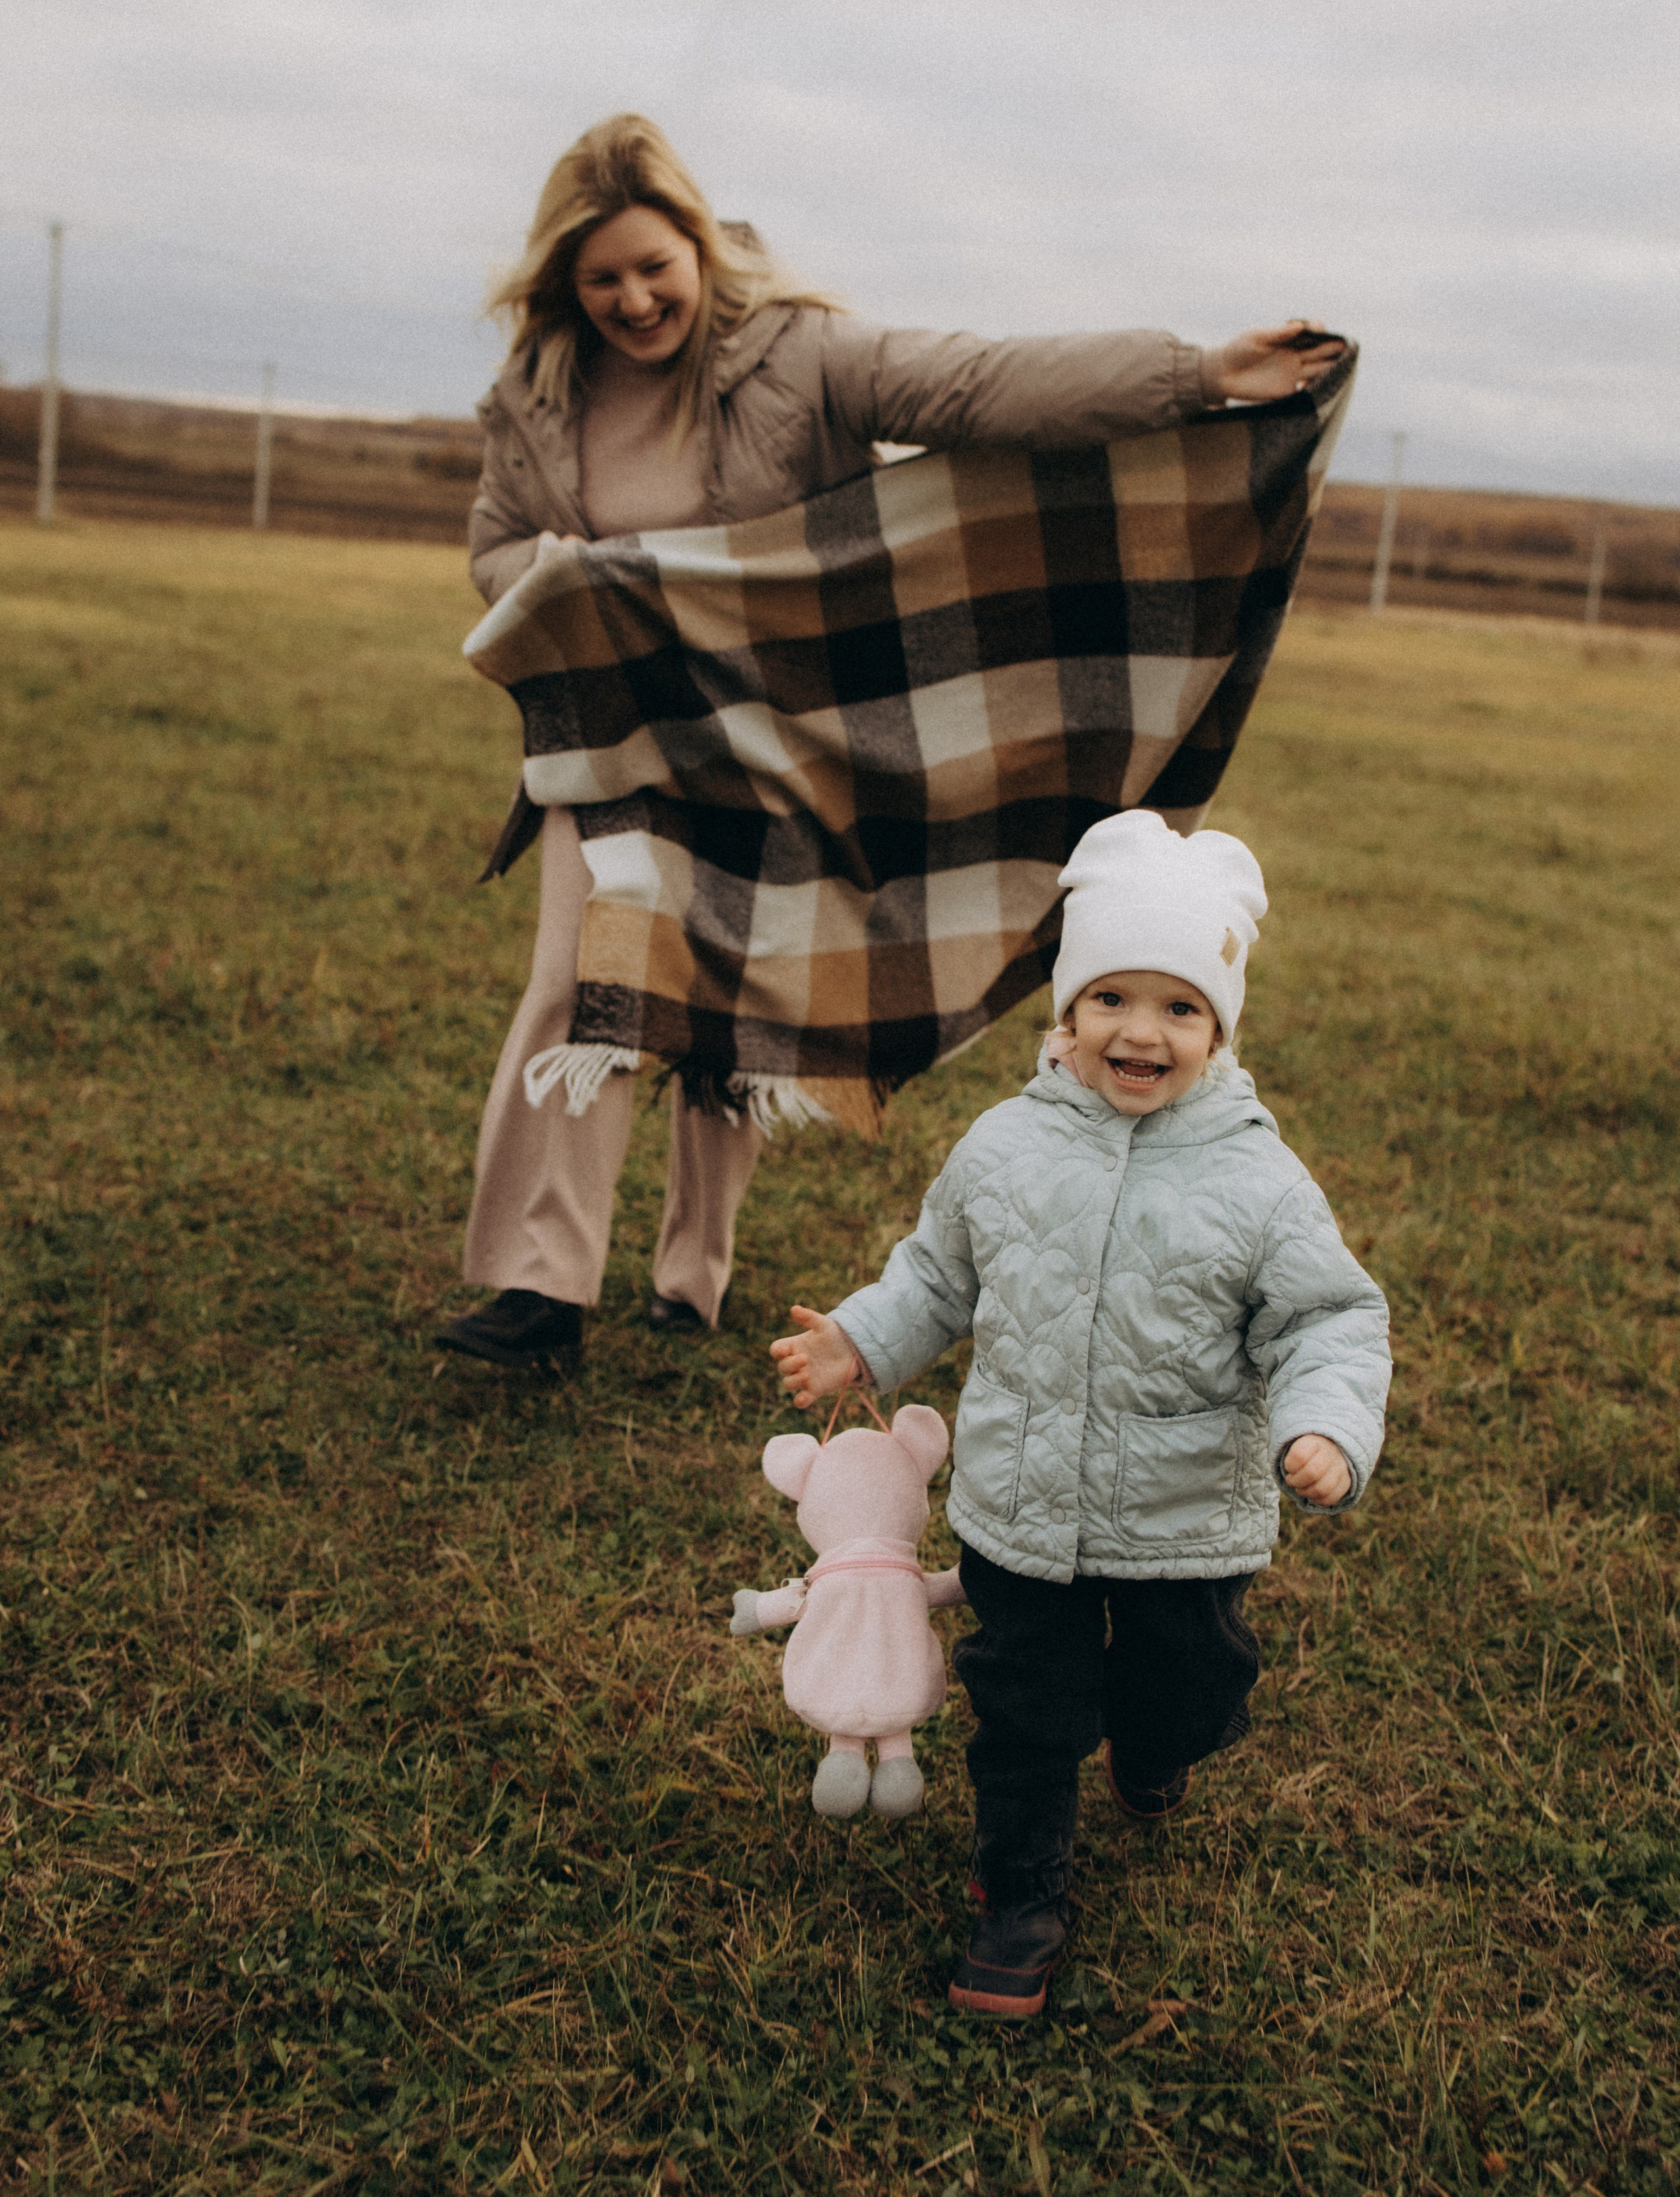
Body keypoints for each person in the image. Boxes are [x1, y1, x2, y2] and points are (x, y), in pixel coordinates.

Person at [437, 112, 1350, 1380]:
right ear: (564, 282)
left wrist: (1194, 377)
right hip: (622, 736)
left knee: (733, 997)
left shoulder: (801, 358)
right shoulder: (536, 396)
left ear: (698, 249)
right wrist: (565, 579)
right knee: (581, 990)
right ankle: (543, 1295)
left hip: (782, 735)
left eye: (656, 267)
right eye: (603, 279)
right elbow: (493, 543)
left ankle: (692, 1277)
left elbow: (983, 388)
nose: (635, 298)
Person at [771, 808, 1391, 2016]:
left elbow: (1329, 1320)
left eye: (1180, 1008)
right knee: (1024, 1708)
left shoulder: (1259, 1180)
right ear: (1067, 1012)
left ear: (1218, 1029)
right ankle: (1022, 1893)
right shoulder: (1004, 1148)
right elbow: (936, 1276)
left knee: (1188, 1686)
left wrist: (1325, 1427)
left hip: (1184, 1524)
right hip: (1021, 1508)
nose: (1140, 1032)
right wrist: (860, 1337)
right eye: (1112, 997)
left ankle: (1157, 1749)